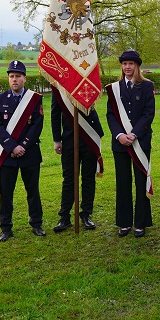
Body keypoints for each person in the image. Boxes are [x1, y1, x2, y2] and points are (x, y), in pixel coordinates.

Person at [0, 60, 46, 240]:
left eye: (18, 76)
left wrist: (23, 145)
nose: (14, 79)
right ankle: (6, 227)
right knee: (6, 193)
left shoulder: (35, 99)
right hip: (8, 154)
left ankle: (36, 224)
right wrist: (12, 146)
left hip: (29, 152)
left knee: (33, 191)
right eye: (11, 76)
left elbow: (37, 125)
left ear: (24, 78)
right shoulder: (0, 99)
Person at [106, 49, 155, 238]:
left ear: (137, 66)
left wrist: (133, 134)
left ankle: (141, 223)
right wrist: (119, 135)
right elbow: (111, 115)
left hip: (140, 142)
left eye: (131, 64)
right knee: (123, 183)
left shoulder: (146, 86)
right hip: (120, 144)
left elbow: (148, 114)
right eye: (124, 64)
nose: (127, 67)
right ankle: (124, 223)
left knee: (141, 181)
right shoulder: (114, 88)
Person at [51, 85, 104, 232]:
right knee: (69, 179)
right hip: (68, 139)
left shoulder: (85, 80)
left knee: (88, 178)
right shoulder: (59, 87)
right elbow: (55, 114)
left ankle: (86, 214)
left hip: (89, 137)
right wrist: (56, 139)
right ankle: (64, 216)